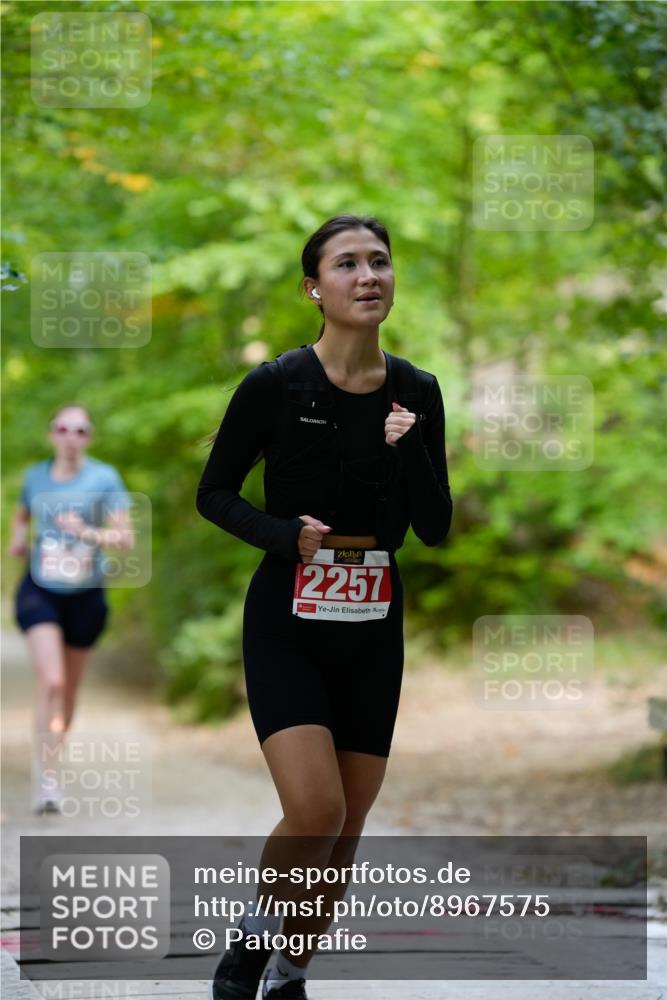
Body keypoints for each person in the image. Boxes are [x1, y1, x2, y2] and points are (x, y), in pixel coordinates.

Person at [196, 214, 453, 1000]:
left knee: (343, 832)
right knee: (314, 809)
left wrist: (407, 445)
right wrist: (283, 537)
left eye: (380, 261)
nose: (368, 275)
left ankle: (288, 977)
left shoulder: (418, 391)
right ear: (315, 287)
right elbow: (213, 494)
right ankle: (250, 941)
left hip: (373, 626)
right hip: (288, 621)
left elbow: (434, 528)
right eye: (347, 264)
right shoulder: (274, 384)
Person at [9, 403, 133, 814]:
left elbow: (124, 539)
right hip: (40, 588)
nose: (71, 437)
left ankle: (52, 764)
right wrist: (18, 538)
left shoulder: (105, 478)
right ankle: (47, 780)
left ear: (89, 438)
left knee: (71, 689)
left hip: (85, 593)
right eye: (63, 428)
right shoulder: (35, 476)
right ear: (51, 435)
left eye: (80, 431)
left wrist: (87, 533)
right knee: (54, 680)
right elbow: (21, 513)